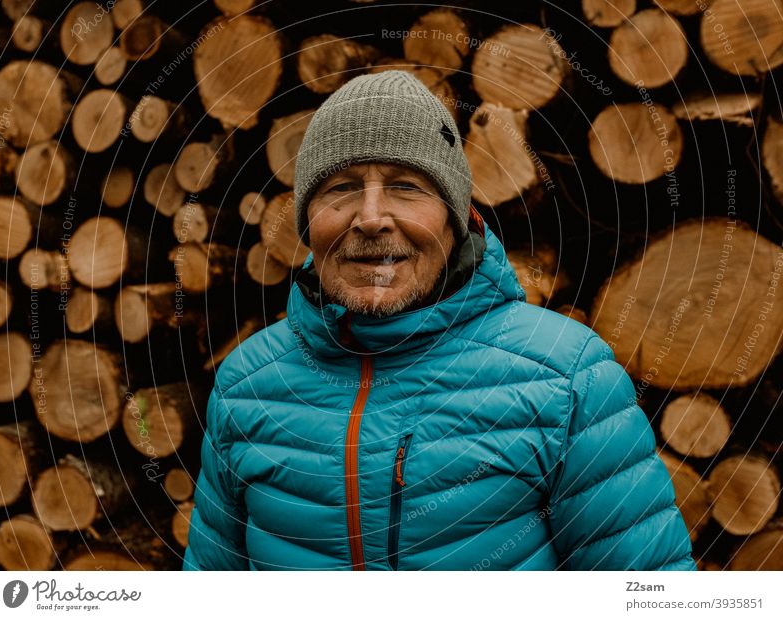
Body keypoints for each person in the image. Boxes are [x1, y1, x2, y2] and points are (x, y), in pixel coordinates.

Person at [183, 70, 697, 571]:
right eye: (339, 187)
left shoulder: (566, 377)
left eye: (406, 186)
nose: (370, 217)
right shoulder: (246, 385)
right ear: (307, 219)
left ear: (455, 217)